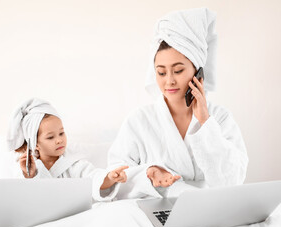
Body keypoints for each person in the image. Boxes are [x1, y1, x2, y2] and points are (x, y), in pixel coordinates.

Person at [107, 8, 249, 199]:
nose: (169, 81)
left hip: (209, 206)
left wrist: (206, 123)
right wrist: (149, 172)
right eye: (162, 72)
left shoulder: (220, 118)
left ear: (198, 72)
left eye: (179, 70)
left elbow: (232, 182)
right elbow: (116, 177)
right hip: (158, 207)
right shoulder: (139, 120)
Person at [7, 98, 128, 201]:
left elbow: (94, 179)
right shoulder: (25, 166)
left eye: (61, 133)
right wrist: (30, 175)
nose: (59, 140)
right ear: (35, 144)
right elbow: (22, 198)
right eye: (50, 137)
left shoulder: (73, 164)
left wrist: (109, 178)